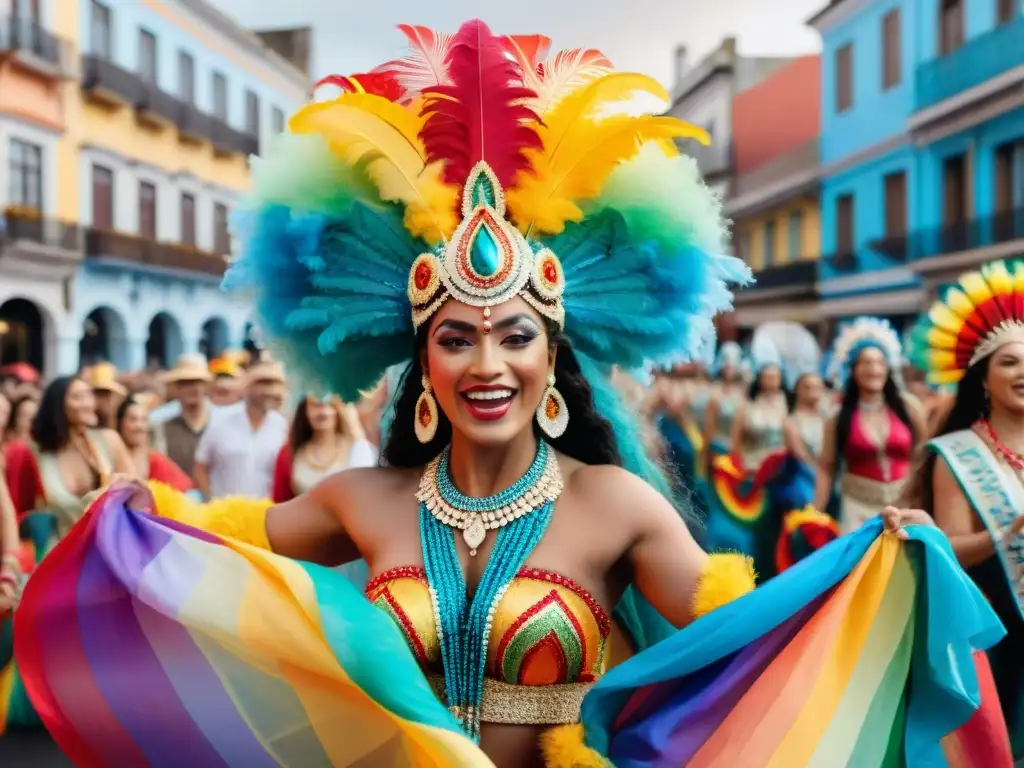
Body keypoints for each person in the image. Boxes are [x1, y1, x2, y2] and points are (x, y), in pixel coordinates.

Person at [12, 20, 1006, 768]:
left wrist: (875, 567)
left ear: (551, 359)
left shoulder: (613, 502)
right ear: (423, 369)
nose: (488, 360)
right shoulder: (363, 500)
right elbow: (205, 554)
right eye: (457, 337)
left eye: (515, 334)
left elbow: (728, 639)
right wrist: (117, 524)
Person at [907, 259, 1024, 758]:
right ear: (982, 377)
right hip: (1000, 625)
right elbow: (951, 548)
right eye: (1010, 361)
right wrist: (1007, 531)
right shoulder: (958, 454)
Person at [814, 317, 928, 534]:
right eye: (865, 362)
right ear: (853, 370)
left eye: (879, 362)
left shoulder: (909, 407)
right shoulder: (838, 415)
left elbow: (922, 456)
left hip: (905, 507)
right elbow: (826, 467)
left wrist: (922, 499)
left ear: (888, 368)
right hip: (856, 510)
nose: (873, 369)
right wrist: (815, 514)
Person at [193, 357, 288, 499]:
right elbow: (200, 466)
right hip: (224, 514)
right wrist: (210, 500)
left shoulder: (283, 426)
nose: (270, 391)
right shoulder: (220, 420)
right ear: (247, 387)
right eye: (263, 384)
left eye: (275, 385)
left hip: (268, 513)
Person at [272, 394, 378, 502]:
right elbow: (281, 500)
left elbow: (366, 488)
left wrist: (355, 430)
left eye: (329, 405)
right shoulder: (290, 452)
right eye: (315, 405)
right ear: (305, 410)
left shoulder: (356, 448)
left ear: (338, 409)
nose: (322, 411)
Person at [150, 354, 216, 481]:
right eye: (187, 383)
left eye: (198, 382)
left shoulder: (219, 423)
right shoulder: (162, 429)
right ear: (177, 388)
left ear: (206, 387)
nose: (194, 388)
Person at [116, 395, 193, 493]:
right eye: (133, 420)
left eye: (144, 420)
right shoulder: (110, 456)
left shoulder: (154, 460)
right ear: (120, 423)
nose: (139, 426)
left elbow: (187, 489)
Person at [81, 362, 126, 430]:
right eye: (98, 392)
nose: (103, 399)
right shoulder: (83, 418)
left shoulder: (122, 415)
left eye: (107, 393)